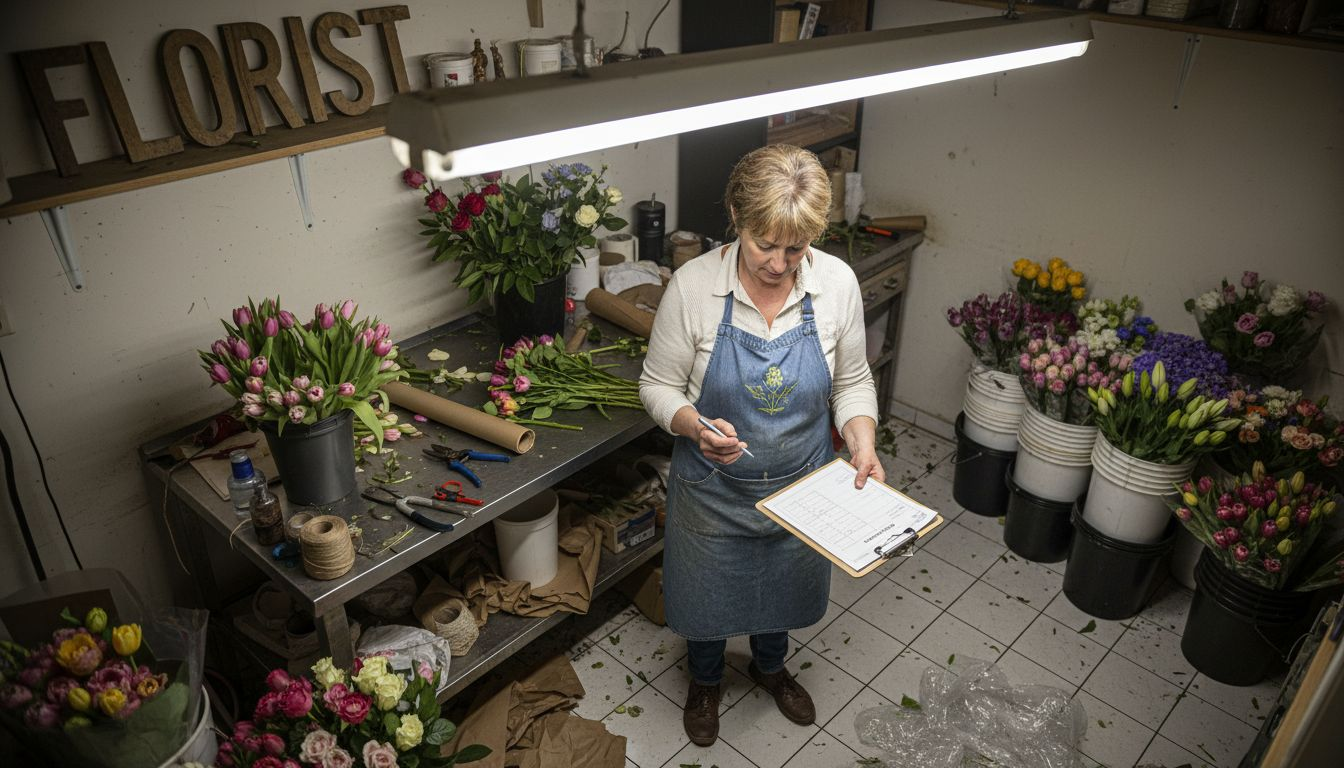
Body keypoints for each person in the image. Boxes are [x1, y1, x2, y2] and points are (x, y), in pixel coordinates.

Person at [639, 144, 884, 746]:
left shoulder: (838, 285)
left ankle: (771, 667)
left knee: (782, 596)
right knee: (707, 604)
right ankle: (705, 680)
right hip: (712, 495)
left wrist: (862, 442)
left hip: (802, 490)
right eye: (762, 245)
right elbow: (657, 386)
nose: (778, 263)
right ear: (735, 218)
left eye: (795, 248)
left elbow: (852, 381)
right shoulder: (694, 289)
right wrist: (694, 427)